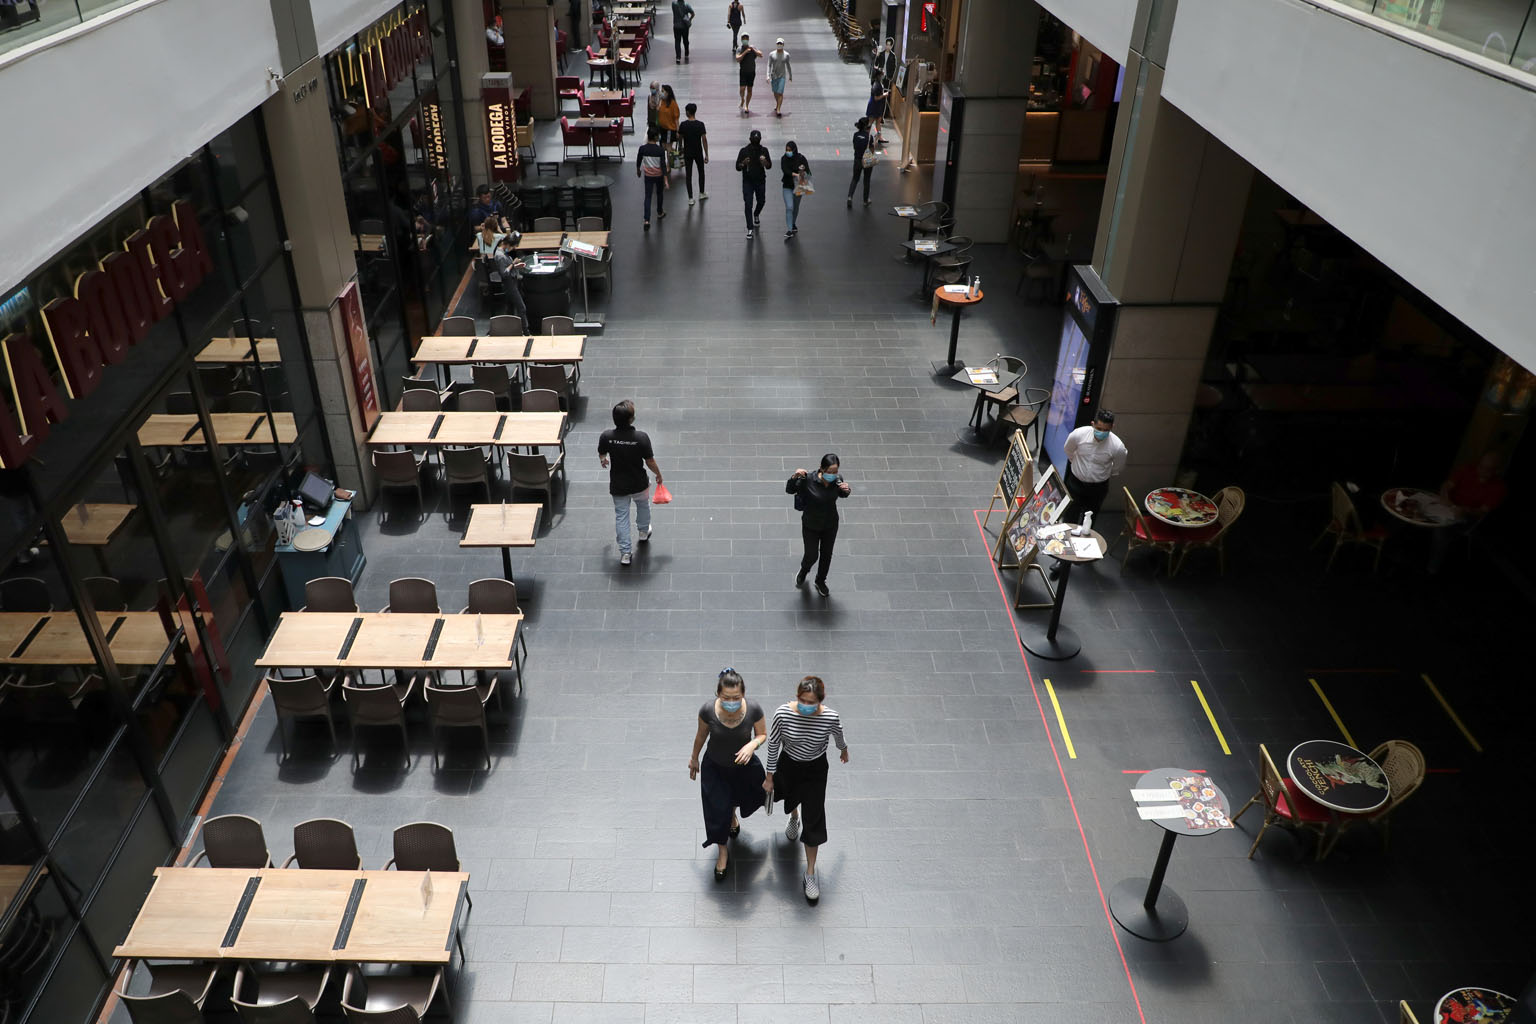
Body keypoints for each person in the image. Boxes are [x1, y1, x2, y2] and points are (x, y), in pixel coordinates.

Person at [762, 675, 848, 904]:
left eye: (812, 703)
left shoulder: (830, 717)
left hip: (815, 769)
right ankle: (794, 816)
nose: (806, 706)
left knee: (815, 816)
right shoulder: (782, 714)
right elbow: (773, 744)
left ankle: (810, 873)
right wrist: (769, 777)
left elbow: (838, 733)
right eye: (802, 701)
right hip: (789, 764)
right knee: (791, 797)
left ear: (821, 700)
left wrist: (843, 749)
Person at [689, 669, 767, 880]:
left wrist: (752, 745)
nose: (731, 702)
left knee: (735, 800)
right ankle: (722, 851)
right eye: (726, 698)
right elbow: (701, 736)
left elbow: (762, 734)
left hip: (743, 766)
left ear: (743, 694)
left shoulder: (753, 709)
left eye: (736, 698)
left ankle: (732, 816)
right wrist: (694, 758)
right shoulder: (707, 711)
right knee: (716, 810)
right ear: (718, 694)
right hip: (715, 767)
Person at [1055, 410, 1127, 576]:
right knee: (1070, 519)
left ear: (1112, 428)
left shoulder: (1117, 447)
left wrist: (1099, 475)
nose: (1101, 432)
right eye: (1099, 428)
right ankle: (1062, 558)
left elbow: (1117, 468)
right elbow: (1069, 451)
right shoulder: (1078, 435)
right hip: (1075, 483)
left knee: (1089, 521)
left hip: (1098, 487)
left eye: (1106, 430)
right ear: (1093, 424)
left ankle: (1082, 554)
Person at [598, 400, 663, 566]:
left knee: (621, 517)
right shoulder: (641, 438)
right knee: (643, 505)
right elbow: (649, 461)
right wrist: (658, 474)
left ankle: (625, 553)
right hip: (639, 483)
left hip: (618, 486)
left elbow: (602, 452)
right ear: (631, 419)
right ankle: (643, 531)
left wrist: (603, 459)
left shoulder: (607, 436)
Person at [787, 454, 851, 595]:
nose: (833, 475)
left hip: (830, 524)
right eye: (830, 472)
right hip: (811, 525)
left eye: (835, 471)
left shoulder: (837, 480)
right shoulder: (808, 480)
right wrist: (794, 477)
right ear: (822, 468)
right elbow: (790, 490)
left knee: (826, 555)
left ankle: (820, 581)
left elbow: (843, 494)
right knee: (812, 554)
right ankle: (804, 570)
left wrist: (847, 490)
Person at [1441, 452, 1507, 519]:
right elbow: (1447, 485)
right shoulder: (1467, 469)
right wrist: (1444, 495)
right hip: (1448, 506)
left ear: (1497, 471)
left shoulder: (1498, 487)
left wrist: (1466, 511)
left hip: (1467, 517)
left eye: (1487, 469)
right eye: (1481, 466)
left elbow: (1482, 511)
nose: (1482, 471)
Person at [736, 128, 772, 238]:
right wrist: (743, 163)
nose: (755, 140)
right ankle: (750, 228)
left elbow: (769, 166)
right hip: (748, 181)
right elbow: (737, 167)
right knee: (748, 203)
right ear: (750, 139)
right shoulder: (744, 151)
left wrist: (764, 161)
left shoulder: (764, 150)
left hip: (760, 180)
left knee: (761, 201)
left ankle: (756, 213)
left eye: (757, 138)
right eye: (754, 138)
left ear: (760, 139)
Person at [490, 235, 531, 330]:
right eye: (512, 247)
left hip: (513, 281)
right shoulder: (500, 256)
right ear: (507, 244)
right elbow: (504, 273)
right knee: (521, 308)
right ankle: (525, 331)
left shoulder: (502, 253)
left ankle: (509, 329)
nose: (512, 249)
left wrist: (516, 265)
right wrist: (513, 264)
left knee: (510, 308)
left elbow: (508, 267)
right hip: (509, 283)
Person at [636, 128, 669, 230]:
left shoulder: (642, 149)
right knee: (659, 194)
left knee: (648, 197)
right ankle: (659, 212)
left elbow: (638, 160)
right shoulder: (660, 150)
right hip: (658, 176)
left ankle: (647, 220)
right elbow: (663, 166)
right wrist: (666, 180)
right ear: (655, 137)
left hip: (648, 176)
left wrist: (638, 170)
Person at [679, 102, 710, 206]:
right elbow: (704, 140)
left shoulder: (683, 125)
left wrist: (680, 149)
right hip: (698, 152)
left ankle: (690, 198)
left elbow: (680, 138)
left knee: (688, 174)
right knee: (701, 172)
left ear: (688, 112)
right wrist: (706, 154)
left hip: (688, 152)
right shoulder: (700, 124)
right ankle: (701, 193)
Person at [779, 140, 810, 238]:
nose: (788, 152)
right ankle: (789, 229)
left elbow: (808, 172)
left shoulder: (801, 158)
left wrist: (802, 172)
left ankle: (793, 223)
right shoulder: (784, 159)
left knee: (795, 207)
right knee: (789, 207)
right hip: (787, 186)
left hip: (799, 186)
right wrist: (795, 174)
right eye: (786, 150)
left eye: (790, 150)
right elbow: (785, 170)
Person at [846, 117, 874, 208]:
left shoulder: (855, 135)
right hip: (867, 159)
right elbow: (871, 150)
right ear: (866, 126)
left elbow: (855, 147)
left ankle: (850, 197)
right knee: (866, 180)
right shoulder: (869, 137)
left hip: (857, 159)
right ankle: (865, 200)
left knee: (855, 178)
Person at [736, 34, 763, 114]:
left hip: (751, 72)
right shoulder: (739, 49)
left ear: (748, 39)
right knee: (742, 89)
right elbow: (737, 59)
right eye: (743, 38)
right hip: (743, 72)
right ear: (741, 39)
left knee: (750, 89)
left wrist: (753, 50)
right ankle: (742, 99)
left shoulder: (752, 47)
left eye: (746, 38)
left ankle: (747, 105)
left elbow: (760, 55)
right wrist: (745, 52)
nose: (745, 39)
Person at [767, 38, 792, 117]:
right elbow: (769, 65)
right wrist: (767, 75)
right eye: (778, 43)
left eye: (781, 44)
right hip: (774, 76)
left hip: (782, 76)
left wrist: (790, 75)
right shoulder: (772, 54)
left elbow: (788, 65)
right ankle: (778, 103)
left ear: (783, 45)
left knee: (780, 92)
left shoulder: (786, 55)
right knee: (775, 92)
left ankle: (778, 109)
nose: (779, 45)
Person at [657, 85, 682, 151]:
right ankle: (674, 154)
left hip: (670, 129)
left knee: (668, 147)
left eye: (663, 91)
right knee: (663, 147)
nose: (661, 93)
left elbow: (676, 119)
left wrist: (678, 131)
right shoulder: (661, 102)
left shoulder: (673, 104)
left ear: (668, 93)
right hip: (662, 128)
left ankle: (669, 161)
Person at [865, 77, 890, 142]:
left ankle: (879, 137)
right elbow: (876, 98)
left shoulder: (878, 83)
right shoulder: (876, 85)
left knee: (878, 121)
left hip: (877, 106)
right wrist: (884, 95)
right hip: (874, 106)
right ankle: (866, 136)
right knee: (870, 122)